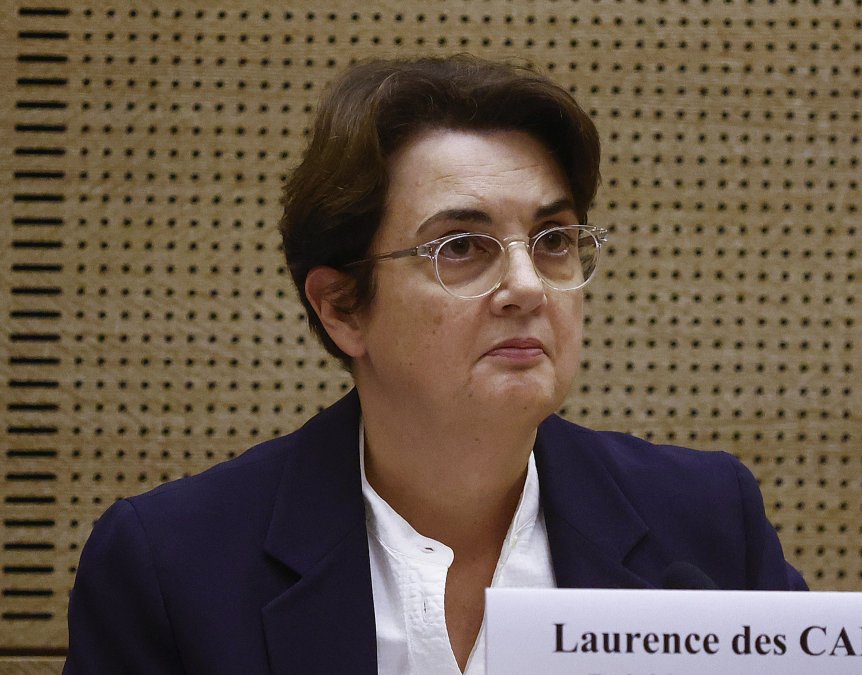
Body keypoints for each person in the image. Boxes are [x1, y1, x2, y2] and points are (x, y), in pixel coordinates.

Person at [64, 55, 806, 675]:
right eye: (462, 247)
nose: (526, 285)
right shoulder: (170, 566)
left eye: (552, 240)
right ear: (343, 306)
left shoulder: (705, 525)